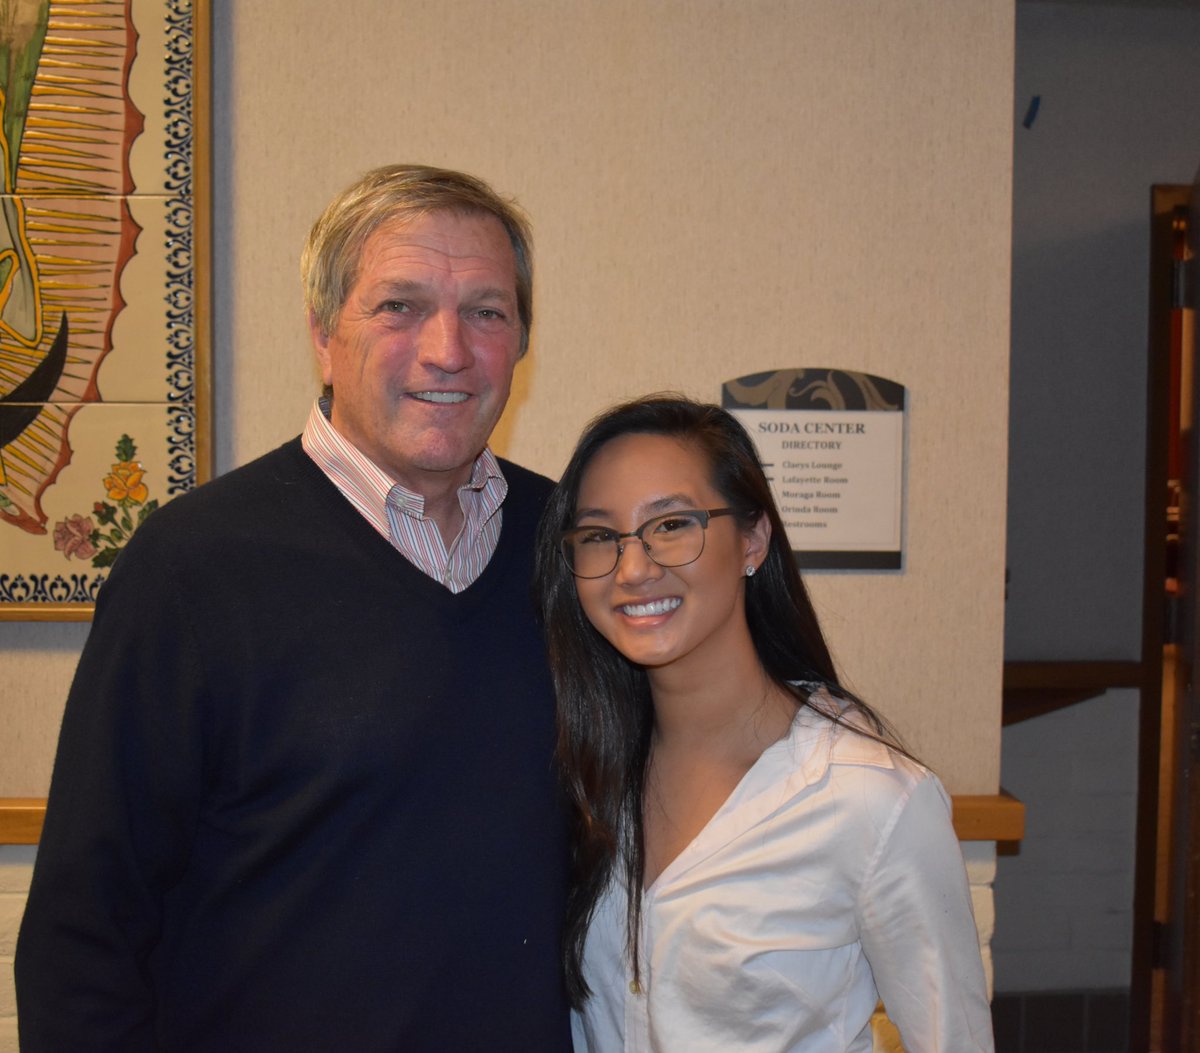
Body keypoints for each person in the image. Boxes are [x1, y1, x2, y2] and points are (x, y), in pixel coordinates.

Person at [16, 165, 572, 1051]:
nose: (448, 349)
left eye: (486, 311)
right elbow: (84, 937)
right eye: (399, 306)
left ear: (522, 341)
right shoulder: (190, 568)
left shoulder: (576, 550)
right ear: (322, 332)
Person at [532, 395, 994, 1053]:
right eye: (601, 536)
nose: (632, 569)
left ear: (753, 539)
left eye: (672, 524)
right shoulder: (586, 772)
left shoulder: (870, 798)